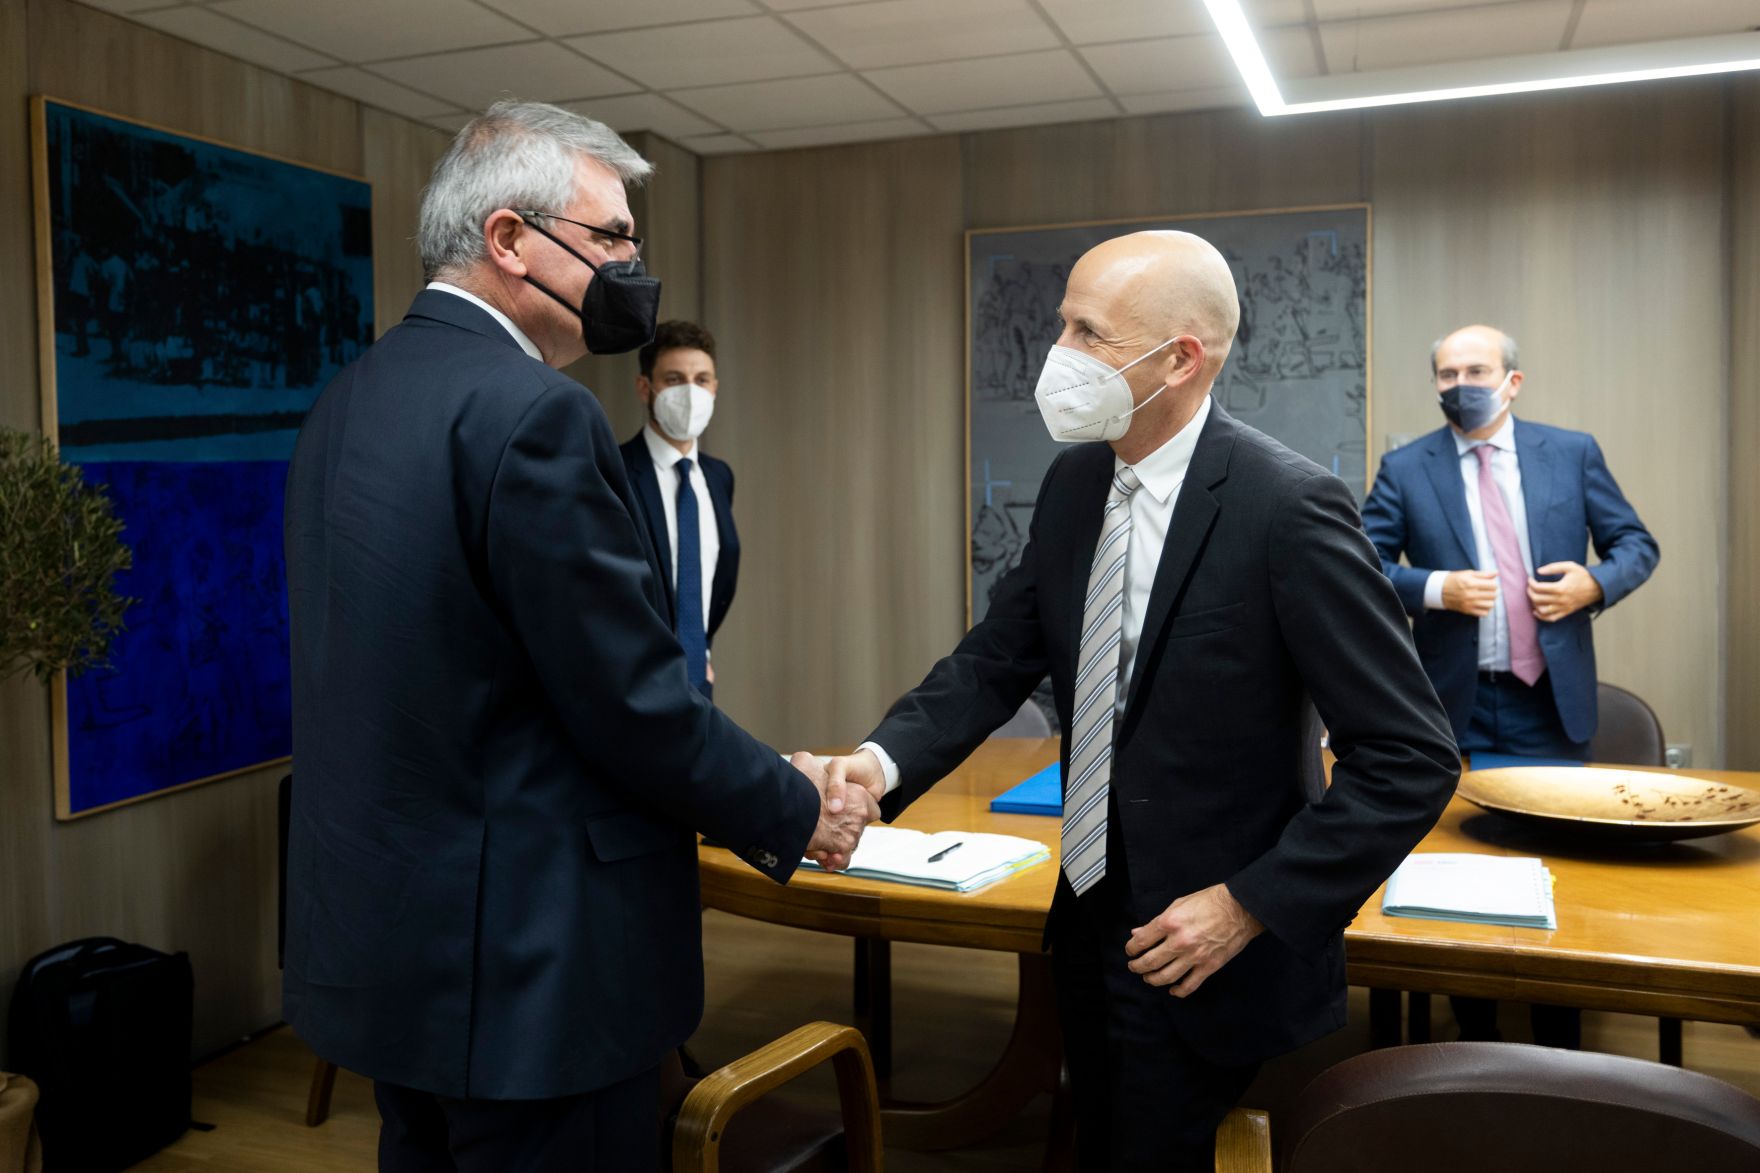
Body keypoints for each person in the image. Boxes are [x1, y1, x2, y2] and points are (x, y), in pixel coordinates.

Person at [282, 100, 876, 1173]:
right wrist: (798, 807)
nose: (629, 268)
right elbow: (633, 701)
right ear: (509, 240)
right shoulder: (533, 414)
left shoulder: (348, 402)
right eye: (609, 239)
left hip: (388, 953)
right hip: (529, 974)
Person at [819, 231, 1460, 1171]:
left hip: (1211, 949)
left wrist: (1247, 904)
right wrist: (875, 766)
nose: (1058, 355)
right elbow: (994, 659)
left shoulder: (1289, 507)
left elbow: (1409, 756)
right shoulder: (1075, 482)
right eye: (1061, 324)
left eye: (1089, 332)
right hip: (1085, 920)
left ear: (1181, 360)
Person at [1360, 324, 1658, 1047]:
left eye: (1477, 368)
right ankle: (1476, 1039)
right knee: (1461, 870)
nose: (1461, 382)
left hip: (1549, 702)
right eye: (1447, 371)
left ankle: (1559, 1044)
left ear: (1512, 381)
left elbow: (1636, 544)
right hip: (1448, 704)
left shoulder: (1573, 452)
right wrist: (1432, 587)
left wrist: (1594, 582)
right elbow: (1360, 560)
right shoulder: (1405, 467)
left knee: (1552, 872)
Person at [620, 321, 736, 698]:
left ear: (715, 388)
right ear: (645, 387)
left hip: (698, 685)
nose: (690, 391)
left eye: (701, 379)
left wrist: (699, 650)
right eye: (674, 379)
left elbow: (709, 580)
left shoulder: (719, 477)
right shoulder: (612, 472)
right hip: (629, 686)